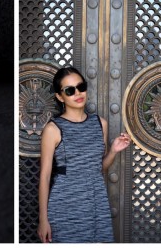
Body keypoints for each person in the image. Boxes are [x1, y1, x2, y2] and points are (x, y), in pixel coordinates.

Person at [37, 67, 131, 243]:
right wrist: (43, 219)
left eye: (81, 86)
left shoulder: (99, 123)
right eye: (70, 90)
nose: (78, 93)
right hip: (66, 203)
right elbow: (44, 177)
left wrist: (113, 151)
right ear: (60, 96)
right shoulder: (53, 129)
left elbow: (98, 168)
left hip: (97, 202)